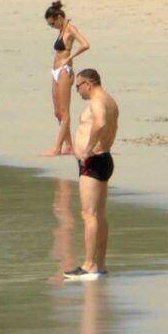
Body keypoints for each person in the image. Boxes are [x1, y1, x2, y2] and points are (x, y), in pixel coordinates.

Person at [64, 69, 118, 280]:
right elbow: (113, 127)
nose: (78, 91)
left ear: (88, 83)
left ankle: (89, 265)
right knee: (99, 214)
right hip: (103, 159)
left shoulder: (97, 102)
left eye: (78, 87)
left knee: (89, 214)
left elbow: (102, 123)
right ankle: (100, 265)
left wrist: (87, 149)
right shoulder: (110, 100)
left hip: (93, 161)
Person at [45, 0, 90, 157]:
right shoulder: (61, 30)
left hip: (65, 71)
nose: (52, 27)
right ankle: (69, 145)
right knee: (57, 112)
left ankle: (57, 147)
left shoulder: (70, 29)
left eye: (52, 24)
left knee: (64, 112)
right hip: (56, 71)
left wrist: (69, 57)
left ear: (58, 17)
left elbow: (85, 44)